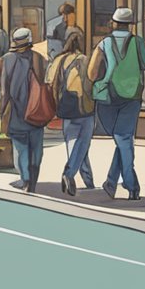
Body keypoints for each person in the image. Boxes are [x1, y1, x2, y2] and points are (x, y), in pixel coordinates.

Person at [88, 7, 145, 201]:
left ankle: (131, 185)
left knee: (121, 140)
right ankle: (112, 183)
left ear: (114, 23)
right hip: (133, 96)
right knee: (124, 139)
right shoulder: (138, 43)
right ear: (130, 25)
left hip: (109, 97)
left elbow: (91, 73)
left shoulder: (104, 43)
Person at [0, 27, 46, 193]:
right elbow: (45, 84)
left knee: (21, 147)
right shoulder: (39, 58)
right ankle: (33, 180)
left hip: (17, 112)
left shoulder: (7, 60)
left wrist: (2, 111)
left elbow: (4, 91)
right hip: (36, 111)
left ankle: (25, 179)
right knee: (36, 148)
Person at [49, 28, 94, 195]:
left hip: (65, 108)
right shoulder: (85, 60)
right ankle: (68, 174)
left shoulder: (58, 60)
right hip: (84, 108)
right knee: (83, 143)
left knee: (75, 144)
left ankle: (89, 181)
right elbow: (92, 81)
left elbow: (49, 81)